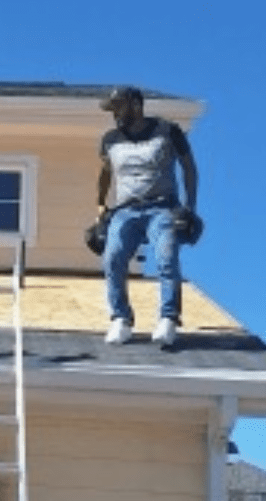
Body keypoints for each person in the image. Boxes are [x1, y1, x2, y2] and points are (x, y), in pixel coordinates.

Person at [96, 86, 199, 346]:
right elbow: (106, 173)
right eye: (113, 108)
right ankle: (121, 318)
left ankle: (168, 317)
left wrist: (189, 207)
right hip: (125, 209)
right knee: (113, 257)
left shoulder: (168, 131)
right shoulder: (110, 139)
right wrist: (99, 205)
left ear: (136, 105)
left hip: (162, 206)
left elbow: (188, 167)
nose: (116, 114)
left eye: (119, 106)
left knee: (166, 256)